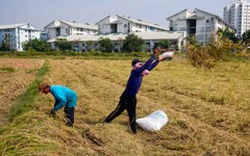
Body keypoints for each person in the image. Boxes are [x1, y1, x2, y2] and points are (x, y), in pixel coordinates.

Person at [104, 48, 172, 134]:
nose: (141, 65)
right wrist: (153, 55)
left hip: (132, 98)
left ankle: (134, 132)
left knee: (132, 115)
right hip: (126, 97)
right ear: (135, 66)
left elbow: (149, 67)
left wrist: (158, 60)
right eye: (140, 64)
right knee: (117, 112)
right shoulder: (135, 72)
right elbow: (146, 65)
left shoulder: (140, 73)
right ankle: (106, 122)